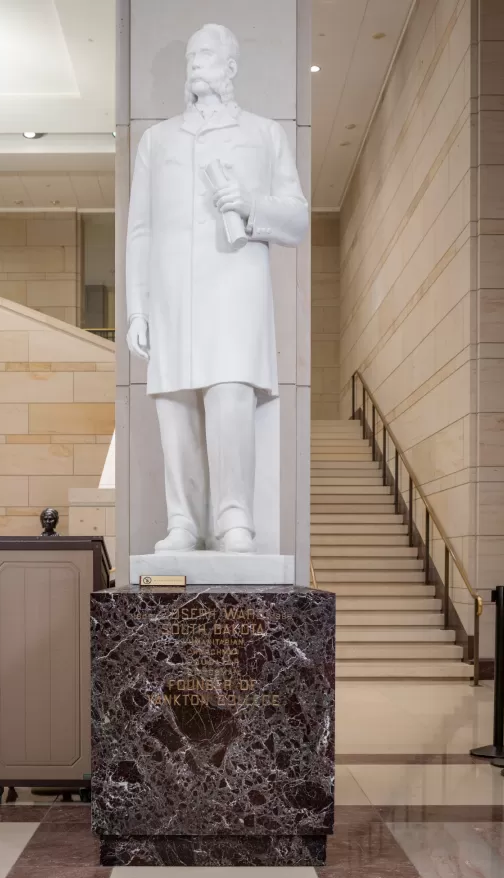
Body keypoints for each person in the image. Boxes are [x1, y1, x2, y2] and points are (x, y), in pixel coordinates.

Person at [126, 23, 308, 554]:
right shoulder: (156, 141)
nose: (195, 62)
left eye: (206, 54)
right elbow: (140, 229)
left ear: (230, 68)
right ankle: (183, 521)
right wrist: (137, 308)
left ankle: (234, 518)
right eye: (190, 55)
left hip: (234, 287)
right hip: (172, 292)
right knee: (175, 402)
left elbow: (295, 219)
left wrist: (251, 202)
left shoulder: (264, 133)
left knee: (230, 395)